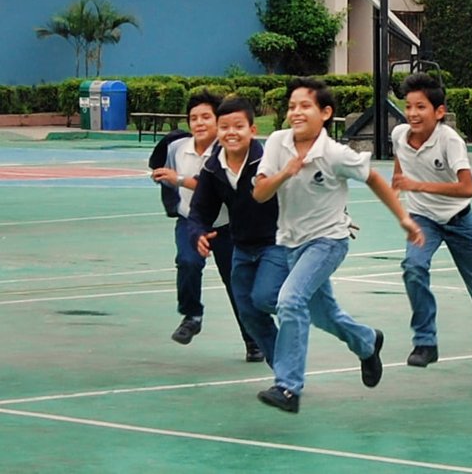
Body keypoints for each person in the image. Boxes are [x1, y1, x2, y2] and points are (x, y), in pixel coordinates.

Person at [252, 78, 424, 413]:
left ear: (325, 113)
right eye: (291, 106)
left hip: (329, 241)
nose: (296, 112)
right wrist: (286, 172)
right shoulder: (276, 143)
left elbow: (373, 177)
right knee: (324, 315)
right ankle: (367, 341)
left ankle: (287, 387)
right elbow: (260, 194)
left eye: (305, 106)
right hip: (291, 243)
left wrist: (403, 217)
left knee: (290, 300)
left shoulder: (334, 154)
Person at [391, 73, 472, 371]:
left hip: (459, 220)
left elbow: (467, 188)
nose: (412, 114)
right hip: (423, 220)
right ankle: (425, 342)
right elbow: (400, 170)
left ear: (439, 112)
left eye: (420, 107)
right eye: (408, 107)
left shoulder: (450, 141)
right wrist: (401, 190)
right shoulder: (399, 136)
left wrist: (418, 186)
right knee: (413, 267)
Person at [148, 91, 257, 357]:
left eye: (206, 117)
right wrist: (164, 179)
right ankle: (192, 316)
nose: (199, 123)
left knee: (236, 283)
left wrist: (179, 179)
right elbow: (168, 173)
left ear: (218, 121)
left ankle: (253, 340)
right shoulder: (176, 148)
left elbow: (212, 187)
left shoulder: (226, 151)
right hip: (190, 220)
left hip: (225, 225)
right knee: (187, 262)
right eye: (194, 118)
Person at [191, 96, 288, 363]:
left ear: (252, 130)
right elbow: (200, 209)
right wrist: (198, 232)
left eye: (238, 126)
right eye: (224, 127)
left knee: (265, 297)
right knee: (247, 312)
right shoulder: (213, 167)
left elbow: (306, 189)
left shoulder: (269, 160)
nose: (231, 133)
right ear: (217, 131)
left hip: (277, 241)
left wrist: (338, 215)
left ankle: (299, 307)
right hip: (242, 247)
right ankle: (284, 368)